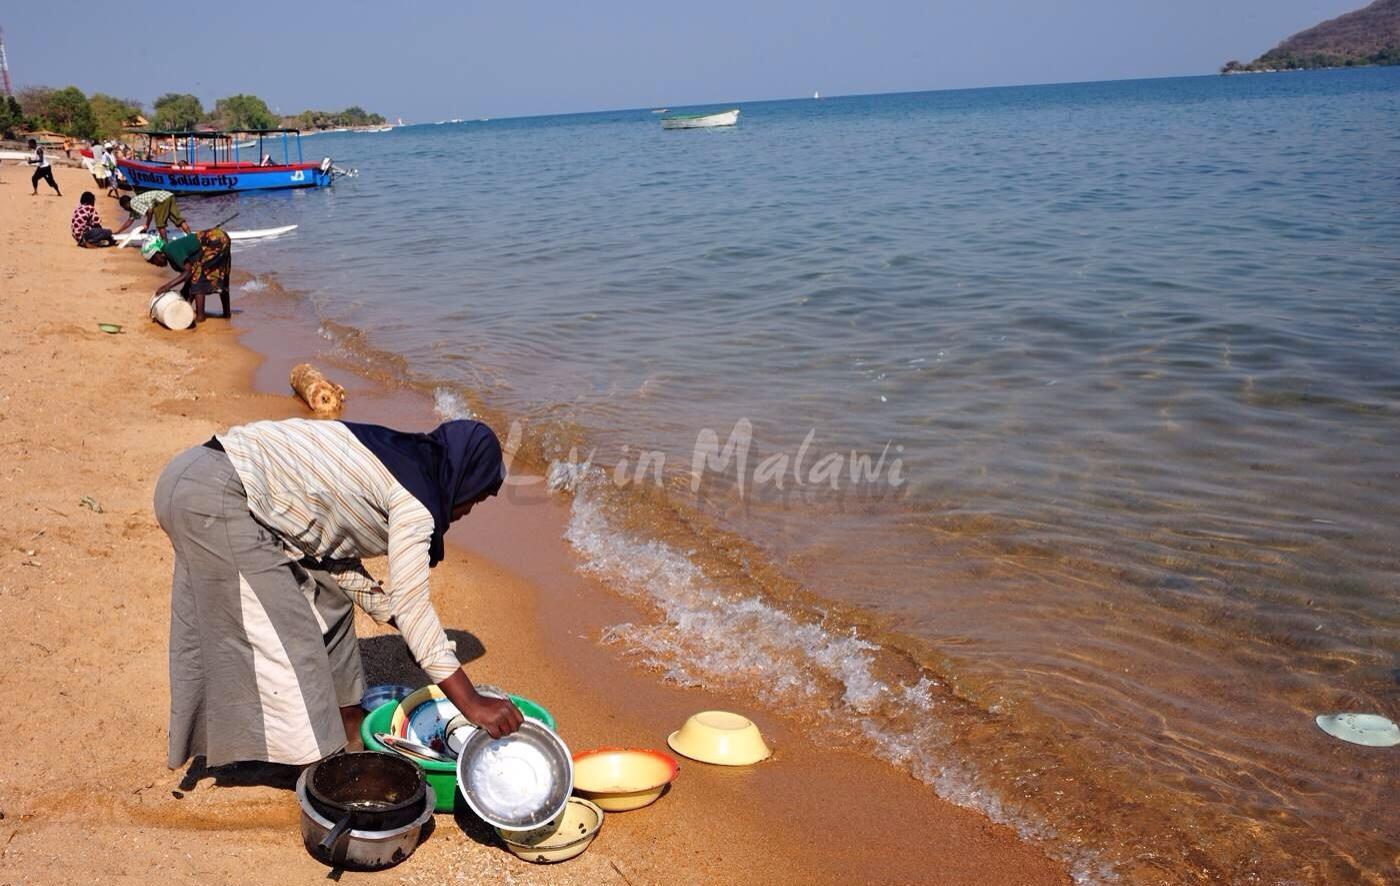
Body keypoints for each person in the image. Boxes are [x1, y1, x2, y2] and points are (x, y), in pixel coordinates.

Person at [153, 418, 521, 769]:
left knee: (328, 600)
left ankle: (347, 733)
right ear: (464, 477)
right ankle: (325, 773)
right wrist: (471, 702)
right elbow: (413, 606)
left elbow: (334, 562)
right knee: (291, 639)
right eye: (475, 498)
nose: (469, 510)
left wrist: (402, 623)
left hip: (194, 478)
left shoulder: (399, 457)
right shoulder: (415, 499)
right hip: (216, 495)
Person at [141, 229, 233, 324]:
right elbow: (189, 274)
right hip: (221, 236)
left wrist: (167, 287)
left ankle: (201, 317)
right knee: (223, 275)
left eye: (153, 261)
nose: (155, 264)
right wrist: (184, 298)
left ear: (158, 253)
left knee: (198, 279)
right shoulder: (170, 250)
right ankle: (227, 313)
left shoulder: (170, 250)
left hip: (214, 240)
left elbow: (188, 272)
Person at [117, 188, 191, 240]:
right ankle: (191, 238)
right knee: (178, 220)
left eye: (124, 208)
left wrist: (147, 225)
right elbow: (129, 221)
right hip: (168, 196)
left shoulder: (133, 203)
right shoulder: (135, 203)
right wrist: (118, 232)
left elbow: (149, 211)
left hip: (160, 199)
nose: (125, 209)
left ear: (126, 204)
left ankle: (165, 245)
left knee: (160, 224)